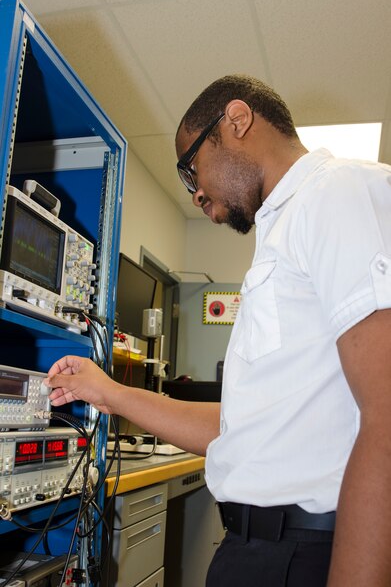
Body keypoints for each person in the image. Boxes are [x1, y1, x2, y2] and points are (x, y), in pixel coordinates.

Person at [45, 75, 391, 587]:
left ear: (236, 120)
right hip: (258, 550)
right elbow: (239, 428)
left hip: (301, 553)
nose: (196, 193)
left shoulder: (336, 192)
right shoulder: (283, 232)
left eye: (190, 170)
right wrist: (109, 393)